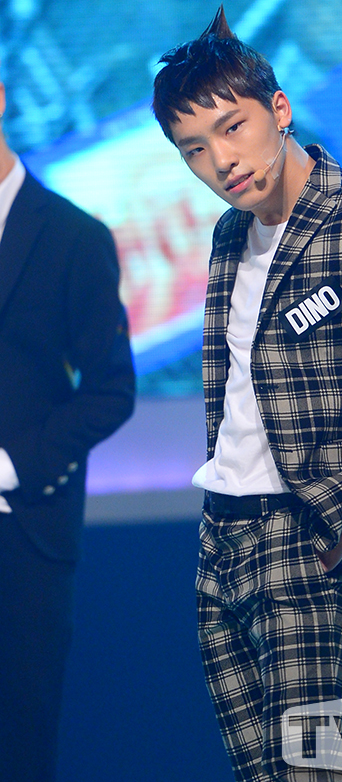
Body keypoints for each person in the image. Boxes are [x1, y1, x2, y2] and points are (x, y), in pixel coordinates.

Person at [153, 7, 342, 782]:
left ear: (279, 109)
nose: (221, 160)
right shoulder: (229, 237)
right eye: (195, 149)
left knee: (310, 773)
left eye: (232, 127)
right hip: (221, 541)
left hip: (313, 534)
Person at [0, 79, 135, 781]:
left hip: (23, 534)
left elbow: (111, 391)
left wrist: (10, 464)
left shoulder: (72, 235)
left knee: (19, 741)